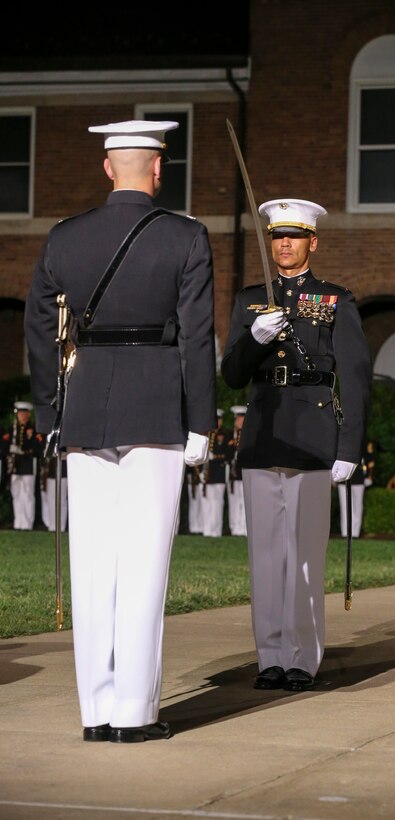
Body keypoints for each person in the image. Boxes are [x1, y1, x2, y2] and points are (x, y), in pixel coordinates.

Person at [24, 120, 217, 743]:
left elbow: (39, 333)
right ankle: (135, 712)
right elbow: (196, 338)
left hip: (84, 412)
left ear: (108, 168)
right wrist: (202, 423)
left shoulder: (64, 238)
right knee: (143, 568)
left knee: (93, 566)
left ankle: (95, 712)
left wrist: (50, 415)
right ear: (157, 168)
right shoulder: (186, 237)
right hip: (156, 409)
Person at [221, 198, 371, 692]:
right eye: (277, 236)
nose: (284, 244)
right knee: (265, 556)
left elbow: (354, 377)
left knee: (305, 556)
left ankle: (303, 658)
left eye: (294, 236)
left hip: (312, 437)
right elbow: (231, 375)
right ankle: (270, 656)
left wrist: (348, 447)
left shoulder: (334, 301)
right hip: (264, 435)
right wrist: (255, 339)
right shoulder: (249, 302)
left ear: (313, 242)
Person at [0, 401, 42, 530]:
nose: (21, 416)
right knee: (16, 494)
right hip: (15, 467)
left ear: (28, 415)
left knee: (28, 494)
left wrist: (24, 448)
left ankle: (28, 523)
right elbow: (4, 446)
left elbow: (37, 447)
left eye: (24, 413)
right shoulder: (12, 430)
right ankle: (18, 522)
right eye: (20, 413)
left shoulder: (34, 429)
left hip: (28, 465)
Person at [200, 409, 229, 537]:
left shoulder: (224, 436)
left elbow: (228, 455)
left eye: (218, 419)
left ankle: (216, 531)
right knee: (207, 503)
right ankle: (207, 530)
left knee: (217, 503)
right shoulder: (205, 435)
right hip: (207, 475)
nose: (216, 422)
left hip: (219, 474)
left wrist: (215, 457)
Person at [337, 440, 375, 538]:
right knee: (344, 506)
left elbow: (370, 459)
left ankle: (355, 532)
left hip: (358, 478)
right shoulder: (341, 437)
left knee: (357, 506)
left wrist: (369, 476)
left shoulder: (364, 440)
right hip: (343, 478)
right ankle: (345, 532)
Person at [227, 405, 247, 536]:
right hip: (233, 473)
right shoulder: (229, 435)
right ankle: (235, 528)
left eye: (242, 418)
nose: (240, 421)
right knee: (234, 501)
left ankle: (245, 528)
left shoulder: (248, 435)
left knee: (245, 501)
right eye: (238, 419)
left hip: (244, 471)